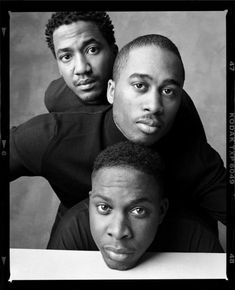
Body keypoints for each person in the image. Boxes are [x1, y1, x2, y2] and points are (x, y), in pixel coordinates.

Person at [10, 34, 226, 245]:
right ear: (111, 91)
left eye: (168, 91)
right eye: (140, 85)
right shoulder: (54, 137)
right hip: (76, 250)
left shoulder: (198, 162)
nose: (154, 105)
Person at [48, 141, 224, 259]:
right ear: (91, 200)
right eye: (103, 207)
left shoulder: (197, 238)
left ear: (161, 211)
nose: (118, 232)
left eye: (138, 211)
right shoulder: (73, 230)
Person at [44, 11, 118, 111]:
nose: (81, 69)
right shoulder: (55, 97)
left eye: (92, 50)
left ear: (114, 51)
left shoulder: (138, 95)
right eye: (66, 57)